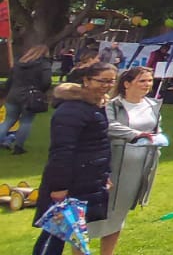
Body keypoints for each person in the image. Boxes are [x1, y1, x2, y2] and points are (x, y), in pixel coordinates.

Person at [32, 62, 115, 255]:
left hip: (89, 180)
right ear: (86, 80)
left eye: (111, 81)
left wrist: (105, 175)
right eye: (102, 81)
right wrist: (59, 187)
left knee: (69, 231)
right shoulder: (72, 109)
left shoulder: (96, 106)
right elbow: (62, 150)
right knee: (54, 235)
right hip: (70, 182)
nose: (107, 85)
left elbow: (99, 146)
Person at [90, 67, 164, 255]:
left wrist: (158, 138)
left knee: (118, 214)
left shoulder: (153, 105)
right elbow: (109, 126)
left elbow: (156, 129)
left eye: (149, 81)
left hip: (138, 167)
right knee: (97, 213)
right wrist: (137, 135)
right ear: (127, 83)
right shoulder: (112, 105)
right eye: (142, 81)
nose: (147, 85)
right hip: (113, 165)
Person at [2, 45, 54, 155]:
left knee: (8, 120)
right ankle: (18, 146)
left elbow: (9, 81)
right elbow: (46, 81)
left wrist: (6, 93)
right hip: (31, 95)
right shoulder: (44, 64)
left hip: (14, 94)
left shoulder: (18, 63)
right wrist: (40, 91)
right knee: (26, 121)